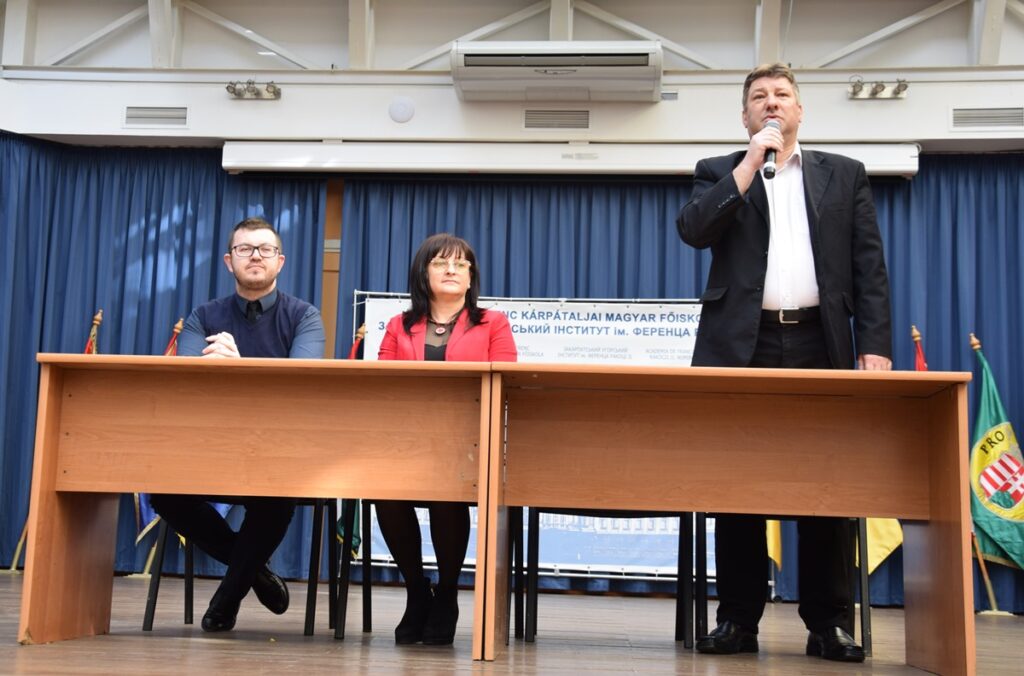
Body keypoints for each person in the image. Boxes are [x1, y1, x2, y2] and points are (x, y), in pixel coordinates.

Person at [677, 63, 892, 663]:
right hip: (741, 346)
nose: (771, 103)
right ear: (745, 116)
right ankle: (737, 619)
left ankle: (828, 623)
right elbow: (694, 230)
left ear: (799, 109)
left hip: (821, 343)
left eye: (781, 95)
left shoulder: (844, 174)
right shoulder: (719, 171)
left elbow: (869, 267)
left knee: (825, 482)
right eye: (759, 97)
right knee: (736, 482)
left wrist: (875, 344)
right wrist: (750, 164)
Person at [150, 216, 326, 632]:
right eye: (245, 249)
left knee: (278, 495)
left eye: (265, 249)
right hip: (213, 448)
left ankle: (226, 599)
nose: (255, 256)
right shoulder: (203, 316)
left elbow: (298, 386)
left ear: (280, 261)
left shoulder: (305, 316)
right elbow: (191, 384)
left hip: (277, 452)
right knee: (165, 493)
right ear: (229, 261)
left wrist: (238, 366)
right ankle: (254, 573)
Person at [376, 233, 517, 645]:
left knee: (447, 490)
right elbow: (383, 386)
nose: (451, 269)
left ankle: (448, 592)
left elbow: (505, 384)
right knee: (383, 490)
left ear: (472, 277)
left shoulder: (493, 323)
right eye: (440, 262)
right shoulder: (399, 326)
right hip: (409, 443)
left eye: (460, 263)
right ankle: (417, 591)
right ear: (424, 273)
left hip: (469, 445)